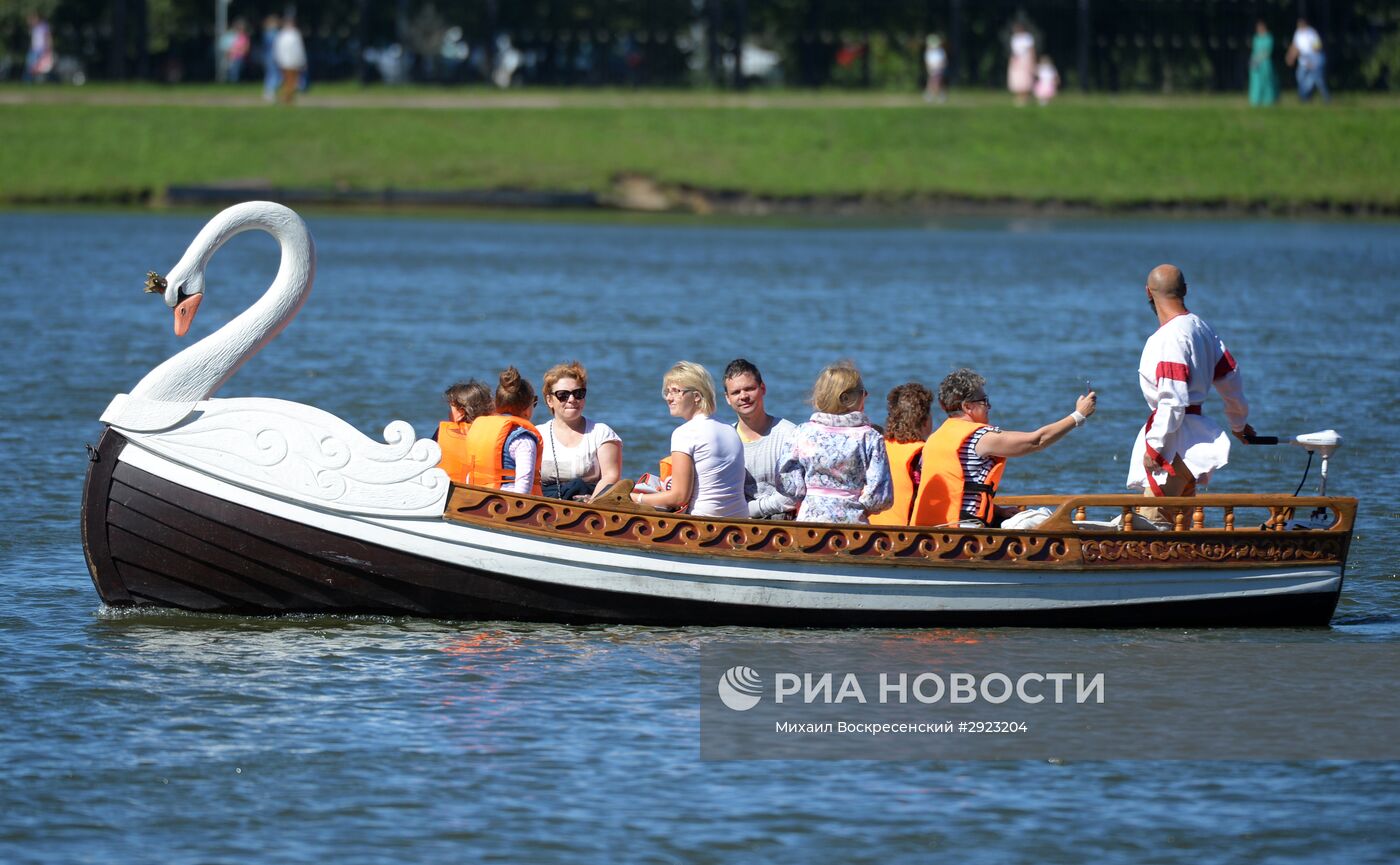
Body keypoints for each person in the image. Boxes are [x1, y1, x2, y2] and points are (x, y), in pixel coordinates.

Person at [1130, 265, 1254, 527]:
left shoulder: (1169, 337)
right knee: (1180, 528)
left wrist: (1155, 446)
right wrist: (1239, 424)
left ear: (1148, 293)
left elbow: (1172, 400)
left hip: (1174, 443)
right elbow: (1231, 378)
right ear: (1185, 290)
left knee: (1151, 526)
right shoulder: (1202, 328)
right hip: (1195, 440)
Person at [912, 369, 1096, 528]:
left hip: (932, 530)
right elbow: (1036, 441)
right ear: (967, 406)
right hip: (965, 530)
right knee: (1043, 519)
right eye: (984, 401)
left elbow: (955, 495)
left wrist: (997, 511)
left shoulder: (934, 439)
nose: (989, 406)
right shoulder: (980, 438)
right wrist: (1078, 416)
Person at [776, 361, 892, 524]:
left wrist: (812, 495)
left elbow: (786, 481)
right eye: (863, 392)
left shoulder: (802, 432)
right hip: (853, 527)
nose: (866, 396)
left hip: (809, 525)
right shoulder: (870, 437)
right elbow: (880, 495)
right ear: (847, 398)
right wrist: (858, 504)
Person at [630, 361, 747, 518]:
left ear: (696, 396)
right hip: (740, 518)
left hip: (702, 521)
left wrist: (635, 498)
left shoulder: (685, 433)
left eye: (676, 391)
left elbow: (679, 497)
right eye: (667, 392)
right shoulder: (730, 429)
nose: (669, 398)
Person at [723, 359, 798, 520]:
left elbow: (792, 494)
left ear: (762, 388)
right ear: (727, 398)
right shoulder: (724, 439)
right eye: (736, 392)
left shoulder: (789, 434)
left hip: (782, 525)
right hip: (735, 524)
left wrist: (747, 510)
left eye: (749, 389)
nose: (743, 396)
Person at [538, 361, 622, 501]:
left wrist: (592, 503)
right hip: (546, 504)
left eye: (578, 393)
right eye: (563, 395)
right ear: (549, 400)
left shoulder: (601, 433)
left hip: (590, 505)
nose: (572, 399)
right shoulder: (537, 434)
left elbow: (611, 476)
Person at [463, 367, 542, 495]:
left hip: (475, 498)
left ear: (496, 404)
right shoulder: (523, 440)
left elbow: (470, 473)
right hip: (506, 505)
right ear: (527, 409)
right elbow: (524, 482)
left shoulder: (479, 429)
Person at [870, 383, 933, 527]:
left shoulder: (877, 446)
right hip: (904, 537)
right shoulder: (922, 455)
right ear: (924, 421)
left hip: (871, 531)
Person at [433, 380, 492, 484]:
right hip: (484, 494)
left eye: (451, 409)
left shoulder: (442, 433)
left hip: (448, 491)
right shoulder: (492, 433)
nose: (449, 413)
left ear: (461, 412)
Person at [1286, 17, 1329, 103]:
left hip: (1314, 60)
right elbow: (1295, 46)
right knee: (1300, 78)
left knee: (1318, 81)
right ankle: (1304, 99)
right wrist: (1290, 56)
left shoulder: (1311, 33)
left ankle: (1327, 98)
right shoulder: (1297, 33)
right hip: (1303, 60)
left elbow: (1317, 47)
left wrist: (1311, 60)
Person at [273, 14, 307, 105]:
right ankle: (287, 97)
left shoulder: (286, 34)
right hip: (288, 61)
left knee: (290, 81)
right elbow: (298, 49)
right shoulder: (290, 34)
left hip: (290, 61)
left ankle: (287, 97)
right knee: (289, 81)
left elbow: (298, 49)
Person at [1249, 20, 1278, 107]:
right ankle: (1256, 100)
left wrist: (1259, 58)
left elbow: (1267, 52)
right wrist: (1254, 61)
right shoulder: (1256, 38)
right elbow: (1254, 51)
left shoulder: (1269, 38)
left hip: (1265, 63)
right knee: (1256, 82)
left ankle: (1268, 100)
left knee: (1267, 81)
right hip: (1255, 62)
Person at [1007, 22, 1036, 107]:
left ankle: (1025, 96)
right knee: (1017, 78)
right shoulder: (1014, 38)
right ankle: (1019, 96)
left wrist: (1032, 60)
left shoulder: (1027, 37)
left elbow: (1031, 50)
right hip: (1016, 59)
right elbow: (1014, 51)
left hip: (1026, 59)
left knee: (1025, 77)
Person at [23, 13, 53, 83]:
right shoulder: (34, 28)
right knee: (30, 66)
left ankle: (35, 81)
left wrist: (48, 48)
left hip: (41, 49)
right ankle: (28, 82)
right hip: (34, 49)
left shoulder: (43, 26)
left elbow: (47, 37)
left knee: (40, 67)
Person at [260, 15, 281, 101]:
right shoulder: (271, 34)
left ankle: (269, 92)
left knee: (271, 74)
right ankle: (270, 92)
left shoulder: (269, 33)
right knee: (273, 74)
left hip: (270, 56)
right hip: (272, 56)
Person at [222, 19, 251, 83]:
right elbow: (229, 47)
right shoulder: (234, 36)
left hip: (240, 57)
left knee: (237, 70)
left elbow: (246, 48)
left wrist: (239, 50)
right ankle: (234, 82)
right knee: (233, 70)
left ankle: (235, 82)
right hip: (233, 57)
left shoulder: (245, 37)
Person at [923, 34, 947, 104]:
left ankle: (933, 95)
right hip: (931, 69)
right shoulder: (928, 52)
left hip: (939, 69)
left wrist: (939, 67)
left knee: (936, 82)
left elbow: (943, 61)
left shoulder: (940, 51)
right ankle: (936, 95)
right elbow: (927, 62)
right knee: (932, 82)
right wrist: (930, 68)